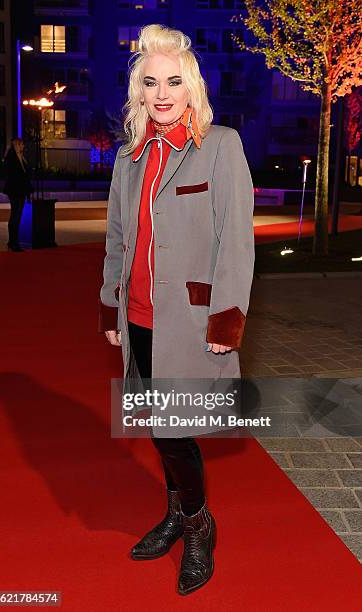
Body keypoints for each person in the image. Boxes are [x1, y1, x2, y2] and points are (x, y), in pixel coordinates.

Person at [98, 24, 255, 596]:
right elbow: (119, 239)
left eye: (173, 81)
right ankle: (176, 513)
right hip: (138, 318)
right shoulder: (127, 157)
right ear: (138, 91)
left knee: (173, 429)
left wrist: (227, 320)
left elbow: (235, 241)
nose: (162, 93)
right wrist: (109, 309)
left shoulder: (221, 146)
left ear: (191, 87)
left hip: (189, 321)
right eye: (150, 82)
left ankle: (197, 525)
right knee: (163, 429)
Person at [3, 138, 33, 252]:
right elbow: (15, 175)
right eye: (21, 144)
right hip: (15, 191)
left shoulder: (20, 157)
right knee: (15, 216)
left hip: (19, 191)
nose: (23, 146)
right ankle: (13, 242)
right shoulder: (12, 157)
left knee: (16, 216)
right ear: (17, 145)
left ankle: (13, 242)